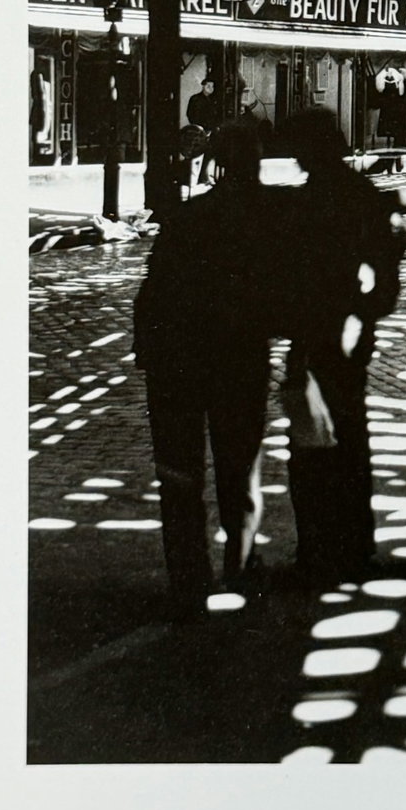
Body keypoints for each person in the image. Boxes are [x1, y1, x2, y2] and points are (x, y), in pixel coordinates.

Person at [133, 119, 275, 619]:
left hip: (176, 361)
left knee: (180, 475)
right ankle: (240, 565)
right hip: (238, 359)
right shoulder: (268, 221)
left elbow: (153, 292)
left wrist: (146, 351)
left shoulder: (188, 218)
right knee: (240, 468)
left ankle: (188, 580)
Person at [275, 109, 406, 587]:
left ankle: (316, 552)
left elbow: (284, 274)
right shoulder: (362, 196)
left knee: (311, 447)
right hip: (349, 335)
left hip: (315, 335)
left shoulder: (307, 202)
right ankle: (354, 547)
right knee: (349, 441)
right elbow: (389, 267)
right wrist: (364, 313)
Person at [183, 76, 220, 191]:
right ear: (203, 86)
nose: (210, 88)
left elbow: (216, 117)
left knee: (209, 156)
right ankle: (192, 181)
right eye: (208, 86)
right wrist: (199, 128)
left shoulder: (214, 100)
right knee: (196, 157)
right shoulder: (195, 99)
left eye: (212, 86)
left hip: (211, 132)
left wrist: (213, 129)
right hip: (198, 132)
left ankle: (205, 179)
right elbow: (190, 114)